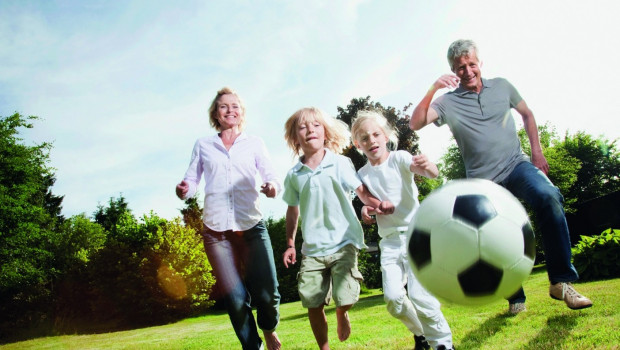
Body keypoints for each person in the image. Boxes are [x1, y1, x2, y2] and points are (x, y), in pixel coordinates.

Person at [410, 39, 592, 314]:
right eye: (460, 67)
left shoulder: (503, 86)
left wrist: (537, 153)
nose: (468, 71)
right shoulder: (447, 102)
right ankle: (515, 296)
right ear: (453, 71)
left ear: (480, 63)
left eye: (472, 64)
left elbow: (527, 115)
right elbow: (415, 123)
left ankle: (562, 282)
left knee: (549, 196)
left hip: (516, 165)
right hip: (484, 182)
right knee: (494, 235)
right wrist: (433, 88)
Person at [175, 87, 282, 350]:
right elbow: (191, 180)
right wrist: (184, 190)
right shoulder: (203, 144)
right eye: (224, 106)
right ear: (216, 113)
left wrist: (271, 187)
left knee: (268, 293)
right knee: (234, 298)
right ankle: (252, 346)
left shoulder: (254, 143)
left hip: (251, 225)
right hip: (216, 231)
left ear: (241, 113)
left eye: (235, 106)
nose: (230, 110)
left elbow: (272, 177)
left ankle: (268, 329)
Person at [281, 107, 394, 350]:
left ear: (325, 133)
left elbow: (361, 192)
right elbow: (292, 211)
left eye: (316, 125)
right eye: (303, 127)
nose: (310, 129)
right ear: (295, 137)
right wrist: (290, 244)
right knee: (312, 303)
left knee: (346, 295)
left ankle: (342, 312)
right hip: (312, 249)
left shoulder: (340, 163)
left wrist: (378, 204)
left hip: (344, 242)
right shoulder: (294, 175)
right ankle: (324, 347)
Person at [351, 110, 454, 350]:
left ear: (386, 135)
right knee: (394, 301)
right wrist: (367, 212)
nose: (371, 141)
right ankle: (421, 334)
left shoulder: (399, 158)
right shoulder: (361, 175)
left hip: (415, 236)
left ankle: (444, 345)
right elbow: (368, 205)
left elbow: (430, 173)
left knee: (421, 298)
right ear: (358, 144)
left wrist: (430, 166)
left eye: (376, 134)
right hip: (389, 242)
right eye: (364, 138)